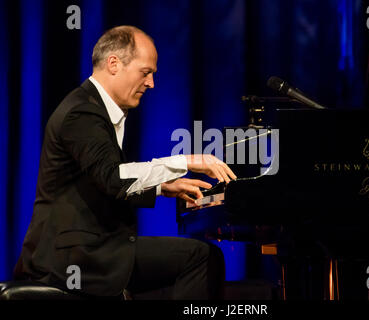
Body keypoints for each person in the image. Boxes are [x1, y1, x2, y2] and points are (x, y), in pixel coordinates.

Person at [13, 25, 236, 299]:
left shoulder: (92, 108)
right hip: (76, 257)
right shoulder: (81, 113)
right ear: (114, 64)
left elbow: (100, 182)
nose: (151, 83)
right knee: (202, 257)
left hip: (90, 250)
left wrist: (163, 188)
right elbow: (113, 178)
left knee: (191, 260)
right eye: (146, 73)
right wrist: (186, 160)